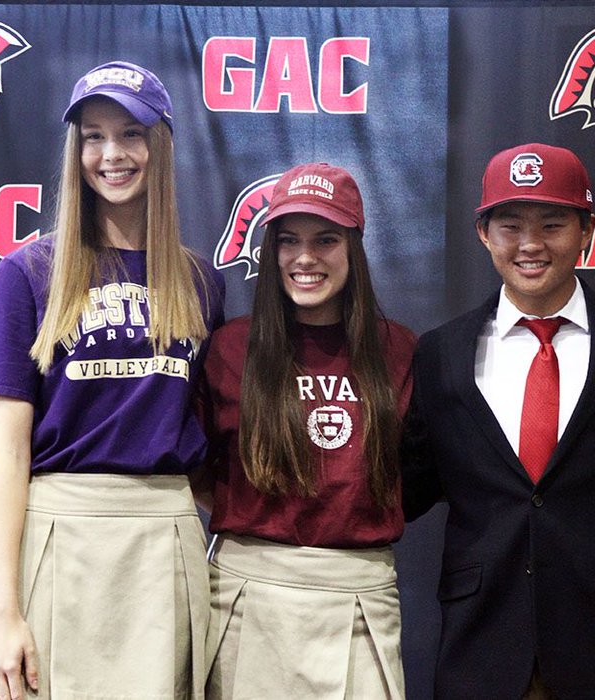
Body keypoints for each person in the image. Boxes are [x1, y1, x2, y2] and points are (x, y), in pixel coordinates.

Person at [0, 61, 224, 699]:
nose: (112, 154)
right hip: (62, 536)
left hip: (166, 539)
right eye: (93, 136)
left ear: (159, 146)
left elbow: (204, 433)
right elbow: (10, 453)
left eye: (131, 133)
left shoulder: (198, 280)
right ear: (75, 150)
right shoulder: (28, 273)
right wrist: (0, 613)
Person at [403, 142, 595, 699]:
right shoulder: (439, 353)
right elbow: (406, 488)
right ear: (483, 233)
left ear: (587, 229)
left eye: (552, 223)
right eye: (510, 224)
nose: (531, 244)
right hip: (481, 644)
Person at [197, 162, 414, 698]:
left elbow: (424, 470)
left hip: (360, 596)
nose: (305, 257)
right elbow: (194, 467)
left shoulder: (401, 351)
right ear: (269, 251)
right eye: (288, 240)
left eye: (326, 239)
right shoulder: (229, 348)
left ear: (354, 248)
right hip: (246, 595)